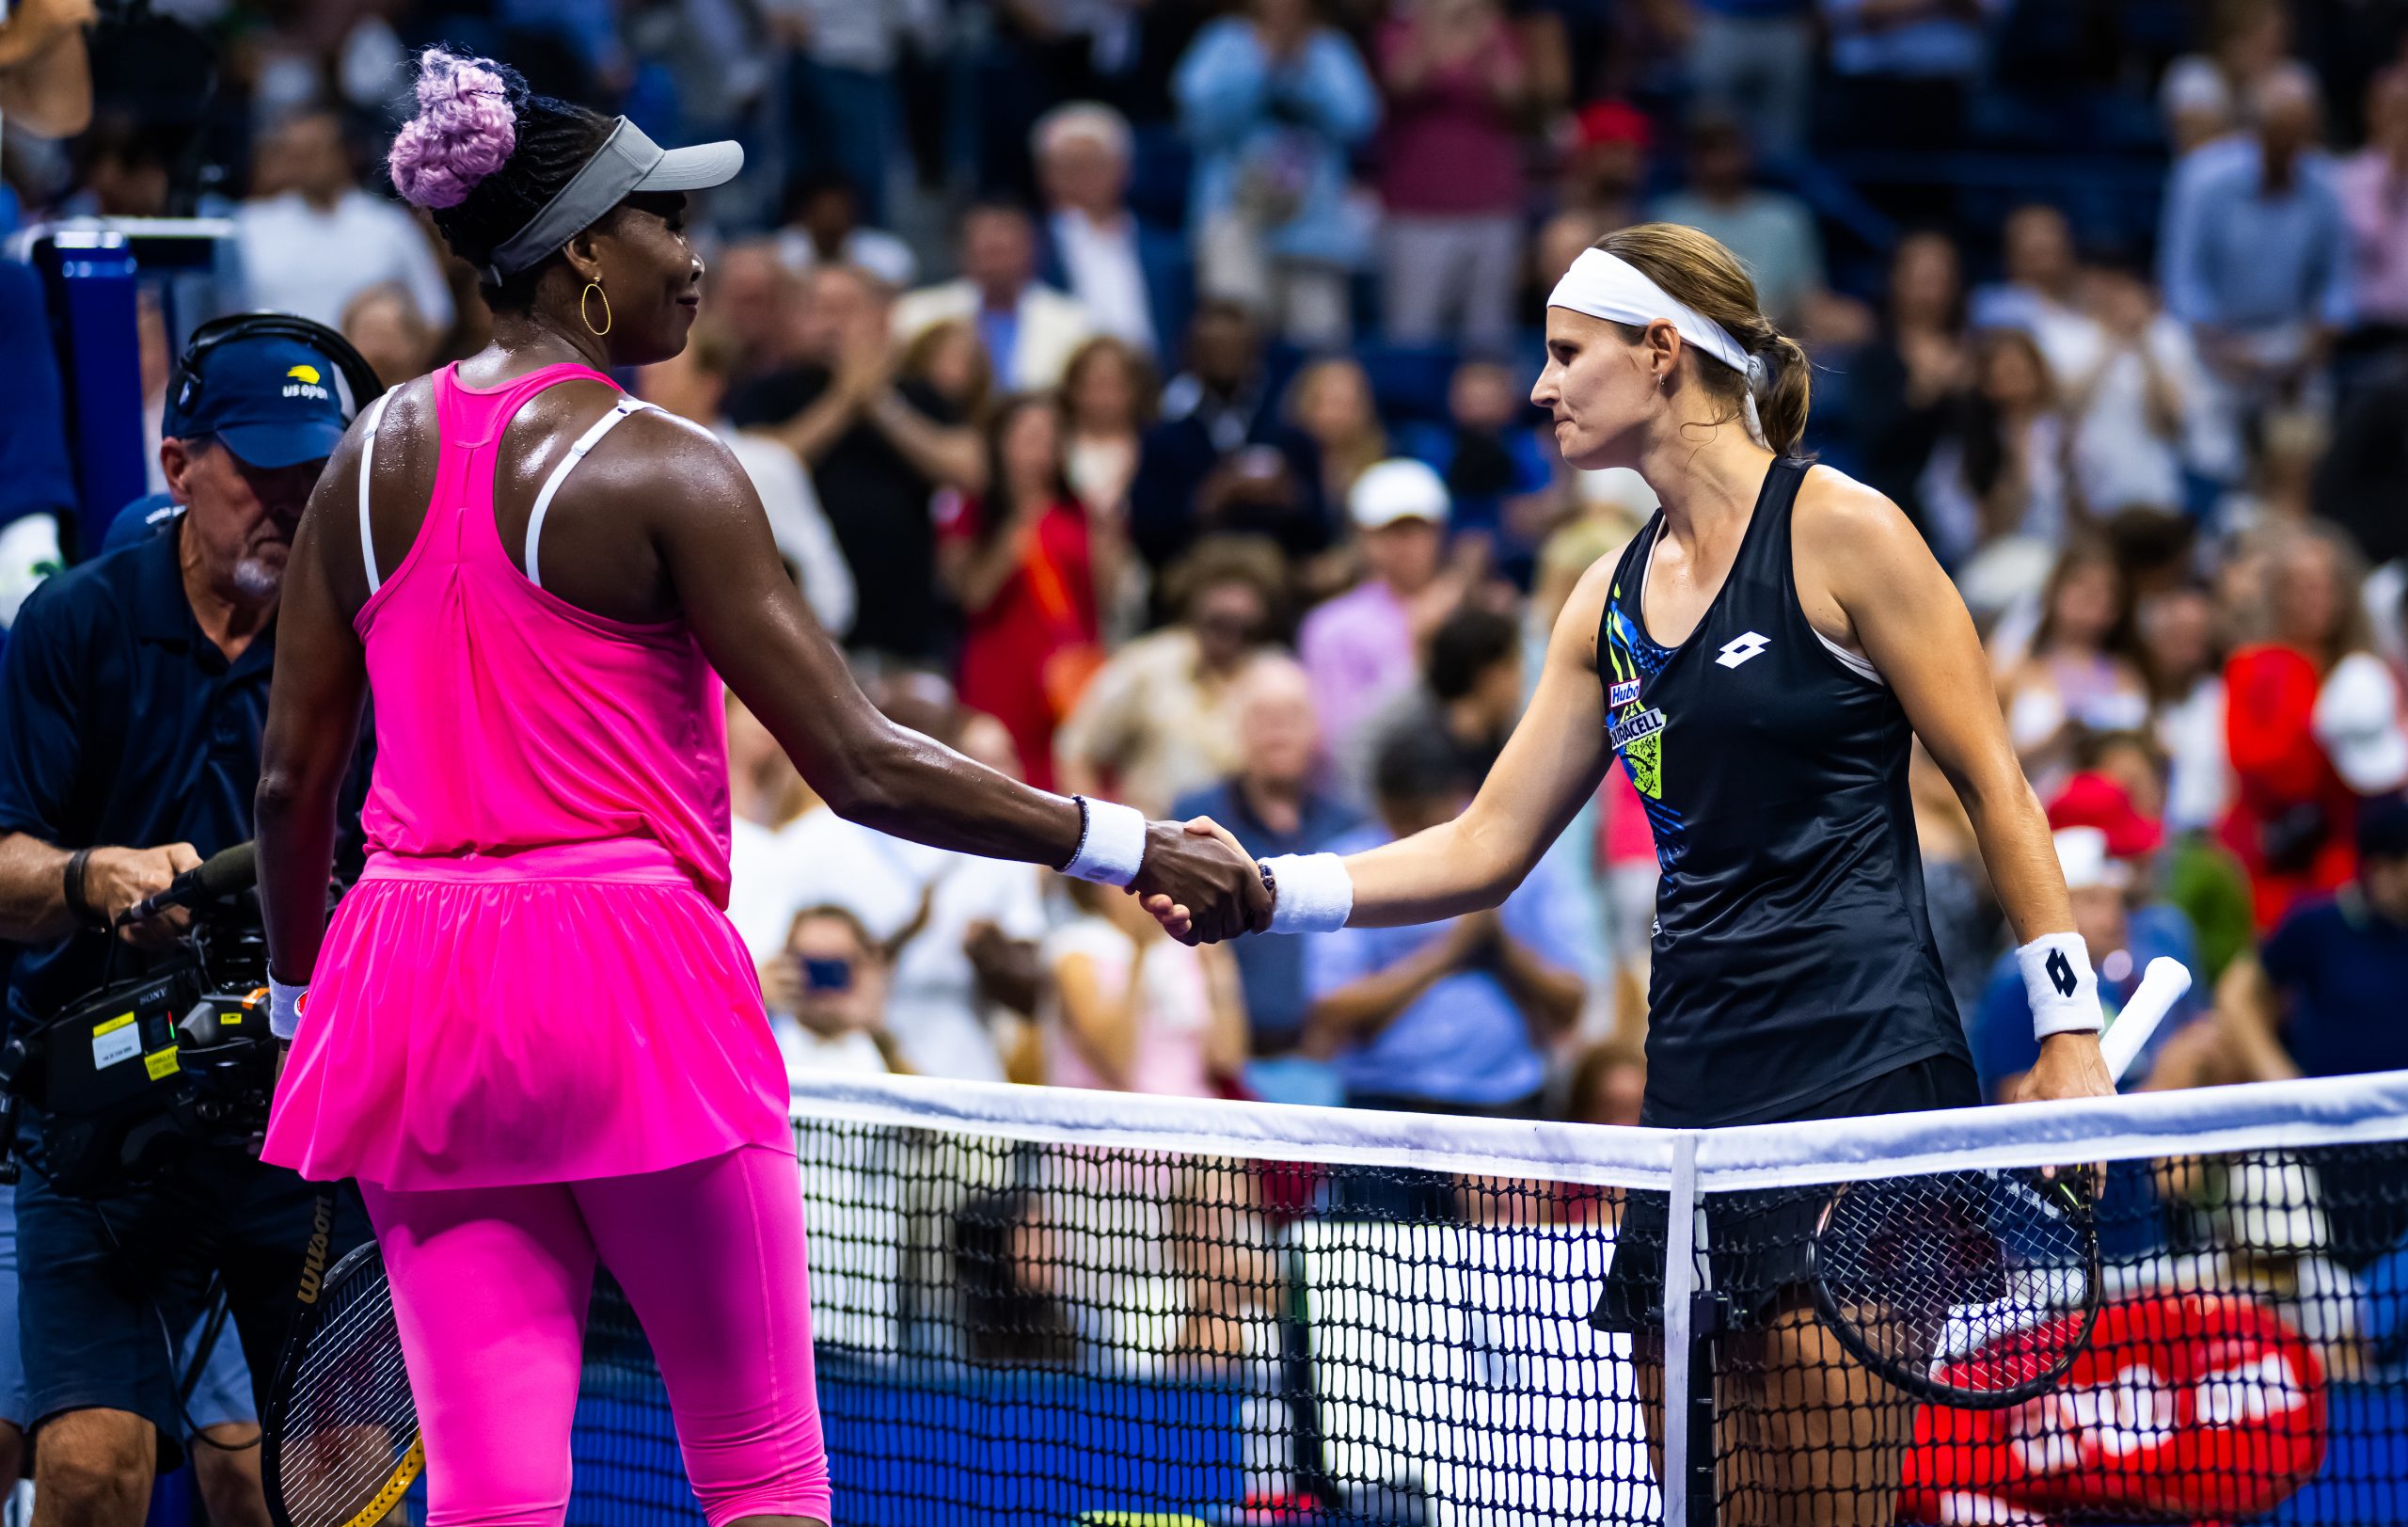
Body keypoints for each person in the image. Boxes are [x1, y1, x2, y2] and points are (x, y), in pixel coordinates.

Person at [255, 49, 1264, 1527]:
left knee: (487, 1495)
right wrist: (1126, 841)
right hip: (622, 981)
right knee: (764, 1476)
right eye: (666, 220)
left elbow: (292, 782)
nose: (697, 254)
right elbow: (851, 758)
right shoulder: (669, 464)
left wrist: (299, 1000)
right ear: (586, 258)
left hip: (405, 985)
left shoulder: (357, 461)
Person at [1168, 222, 2116, 1524]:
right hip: (1690, 1091)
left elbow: (1995, 781)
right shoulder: (1602, 605)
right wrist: (1273, 889)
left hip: (1863, 1064)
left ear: (1662, 353)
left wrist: (2070, 1025)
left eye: (1567, 353)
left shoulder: (1847, 532)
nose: (1542, 385)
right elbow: (1486, 845)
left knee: (1827, 1504)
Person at [0, 313, 378, 1521]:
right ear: (179, 469)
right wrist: (90, 879)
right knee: (91, 1469)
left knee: (340, 1483)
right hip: (102, 1125)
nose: (289, 504)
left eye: (314, 477)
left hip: (303, 1118)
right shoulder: (77, 623)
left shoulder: (374, 645)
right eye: (260, 475)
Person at [1303, 727, 1590, 1115]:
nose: (1412, 835)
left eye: (1424, 820)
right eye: (1400, 822)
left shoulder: (1524, 862)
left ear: (1458, 796)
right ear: (1382, 805)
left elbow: (1570, 1002)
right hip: (1384, 1101)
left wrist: (1500, 943)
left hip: (1505, 1100)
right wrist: (1450, 951)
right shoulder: (1349, 865)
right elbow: (1333, 1009)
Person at [727, 262, 981, 664]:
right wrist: (844, 400)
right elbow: (762, 462)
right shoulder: (768, 392)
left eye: (846, 308)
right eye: (820, 308)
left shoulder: (919, 394)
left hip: (907, 633)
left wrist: (879, 403)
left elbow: (970, 468)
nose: (833, 323)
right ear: (798, 318)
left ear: (878, 316)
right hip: (806, 633)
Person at [1171, 655, 1363, 1102]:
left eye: (1292, 716)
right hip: (1221, 1073)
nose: (1278, 730)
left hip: (1335, 1070)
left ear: (1315, 729)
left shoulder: (1351, 827)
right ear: (1238, 729)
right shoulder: (1197, 820)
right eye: (1262, 717)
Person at [1173, 0, 1380, 347]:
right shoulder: (1225, 41)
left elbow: (1359, 120)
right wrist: (1261, 65)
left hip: (1314, 228)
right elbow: (1200, 119)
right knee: (1236, 340)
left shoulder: (1328, 48)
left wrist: (1301, 75)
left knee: (1320, 347)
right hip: (1236, 218)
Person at [639, 323, 856, 638]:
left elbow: (830, 595)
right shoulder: (631, 473)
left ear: (708, 385)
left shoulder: (763, 464)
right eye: (646, 374)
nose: (649, 385)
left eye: (665, 372)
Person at [936, 394, 1102, 793]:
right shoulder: (974, 509)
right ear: (1001, 443)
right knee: (1001, 778)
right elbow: (969, 598)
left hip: (1066, 670)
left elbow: (1097, 597)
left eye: (1050, 437)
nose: (1040, 448)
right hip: (1002, 667)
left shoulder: (1076, 508)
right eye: (1028, 436)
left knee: (1068, 778)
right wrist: (1010, 543)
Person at [1968, 825, 2207, 1101]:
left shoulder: (2112, 971)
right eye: (2094, 902)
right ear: (2056, 907)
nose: (2113, 919)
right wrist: (2163, 1085)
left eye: (2117, 902)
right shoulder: (2017, 984)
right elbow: (2021, 1112)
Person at [1055, 535, 1286, 816]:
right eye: (1218, 622)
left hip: (1241, 846)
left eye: (1242, 626)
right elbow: (1077, 751)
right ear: (1193, 603)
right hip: (1152, 838)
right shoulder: (1146, 666)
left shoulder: (1274, 676)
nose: (1229, 635)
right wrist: (1098, 832)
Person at [1372, 0, 1531, 352]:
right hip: (1417, 210)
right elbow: (1402, 83)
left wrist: (1484, 32)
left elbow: (1514, 96)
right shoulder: (1399, 30)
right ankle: (1410, 406)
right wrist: (1433, 23)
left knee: (1488, 336)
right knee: (1412, 333)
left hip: (1491, 205)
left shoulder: (1494, 30)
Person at [1127, 300, 1329, 570]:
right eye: (1213, 349)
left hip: (1278, 571)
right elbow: (1149, 538)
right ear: (1190, 358)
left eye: (1234, 348)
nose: (1224, 358)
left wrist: (1290, 497)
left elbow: (1321, 533)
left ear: (1256, 355)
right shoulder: (1163, 441)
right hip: (1192, 573)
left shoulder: (1291, 438)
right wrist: (1209, 499)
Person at [2216, 798, 2408, 1082]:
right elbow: (2237, 990)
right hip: (2334, 1113)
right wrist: (2276, 1074)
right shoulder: (2320, 925)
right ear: (2381, 870)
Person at [1298, 458, 1463, 775]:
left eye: (1416, 531)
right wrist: (1420, 647)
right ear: (1363, 538)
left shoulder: (1471, 612)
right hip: (1372, 793)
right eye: (1389, 533)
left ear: (1439, 533)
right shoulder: (1331, 627)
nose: (1404, 546)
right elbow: (1342, 740)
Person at [236, 109, 456, 334]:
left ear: (346, 153)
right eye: (294, 152)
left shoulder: (390, 226)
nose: (303, 162)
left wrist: (398, 366)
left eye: (314, 150)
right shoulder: (250, 225)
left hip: (368, 367)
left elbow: (436, 314)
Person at [1043, 874, 1247, 1096]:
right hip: (1115, 1111)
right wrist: (1140, 955)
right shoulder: (1076, 951)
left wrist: (1219, 972)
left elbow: (1227, 1062)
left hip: (1189, 1107)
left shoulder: (1189, 946)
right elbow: (1115, 1066)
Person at [1032, 103, 1191, 362]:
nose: (1082, 178)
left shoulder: (1169, 254)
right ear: (1045, 176)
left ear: (1125, 169)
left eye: (1094, 164)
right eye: (1070, 166)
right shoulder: (1031, 249)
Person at [1997, 537, 2153, 792]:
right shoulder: (2014, 671)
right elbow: (1985, 767)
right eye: (2079, 584)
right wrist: (2052, 744)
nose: (2091, 597)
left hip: (2118, 820)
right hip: (2040, 818)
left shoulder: (2129, 673)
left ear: (2118, 607)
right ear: (2054, 591)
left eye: (2105, 590)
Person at [894, 201, 1097, 391]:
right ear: (963, 253)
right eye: (988, 251)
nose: (997, 263)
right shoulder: (917, 314)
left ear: (1032, 251)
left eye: (1005, 250)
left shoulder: (1074, 322)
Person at [1650, 115, 1824, 329]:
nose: (1721, 162)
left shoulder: (1786, 218)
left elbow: (1808, 300)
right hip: (1692, 333)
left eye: (1729, 148)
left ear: (1750, 152)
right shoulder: (1667, 216)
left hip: (1771, 334)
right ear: (1691, 158)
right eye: (1710, 149)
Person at [759, 904, 907, 1077]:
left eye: (838, 967)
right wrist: (751, 998)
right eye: (814, 966)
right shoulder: (756, 1052)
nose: (826, 988)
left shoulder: (898, 1070)